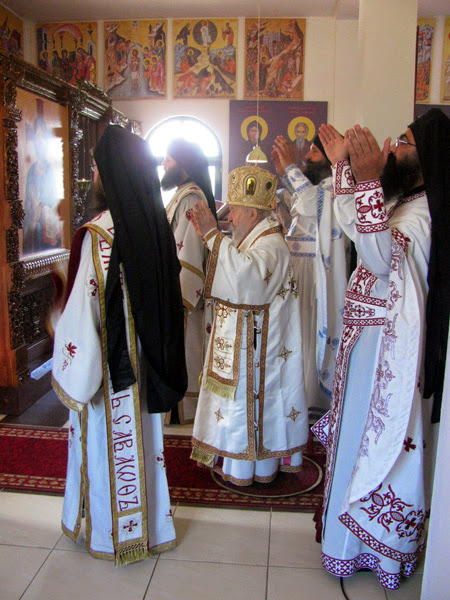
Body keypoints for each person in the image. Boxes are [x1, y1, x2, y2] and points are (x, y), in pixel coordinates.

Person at [313, 108, 450, 590]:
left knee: (371, 444)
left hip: (387, 354)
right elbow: (357, 226)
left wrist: (368, 179)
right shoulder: (404, 201)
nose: (392, 147)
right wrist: (344, 169)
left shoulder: (424, 214)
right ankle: (347, 543)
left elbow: (378, 256)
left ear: (427, 157)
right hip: (368, 345)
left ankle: (372, 549)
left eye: (403, 142)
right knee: (353, 441)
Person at [52, 125, 187, 566]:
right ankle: (151, 528)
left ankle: (113, 535)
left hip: (111, 368)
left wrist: (67, 353)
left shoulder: (98, 233)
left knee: (106, 446)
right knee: (143, 445)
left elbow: (82, 311)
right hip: (145, 362)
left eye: (96, 167)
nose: (94, 174)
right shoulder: (155, 223)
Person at [189, 165, 308, 486]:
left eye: (235, 211)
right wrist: (211, 238)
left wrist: (212, 235)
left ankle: (254, 468)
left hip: (261, 350)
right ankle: (238, 463)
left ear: (253, 214)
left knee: (249, 404)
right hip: (248, 342)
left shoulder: (272, 244)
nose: (230, 218)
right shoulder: (256, 238)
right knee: (235, 405)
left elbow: (246, 281)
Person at [271, 134, 350, 418]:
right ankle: (294, 400)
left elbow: (308, 203)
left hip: (316, 277)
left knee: (307, 335)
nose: (308, 157)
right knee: (295, 335)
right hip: (299, 272)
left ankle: (310, 402)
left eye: (314, 152)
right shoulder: (320, 188)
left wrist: (290, 168)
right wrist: (286, 173)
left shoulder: (335, 188)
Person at [162, 138, 217, 424]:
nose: (164, 164)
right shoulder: (182, 194)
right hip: (177, 282)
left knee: (188, 348)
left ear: (182, 163)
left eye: (168, 159)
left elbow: (189, 248)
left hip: (185, 290)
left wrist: (179, 295)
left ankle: (185, 409)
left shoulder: (190, 197)